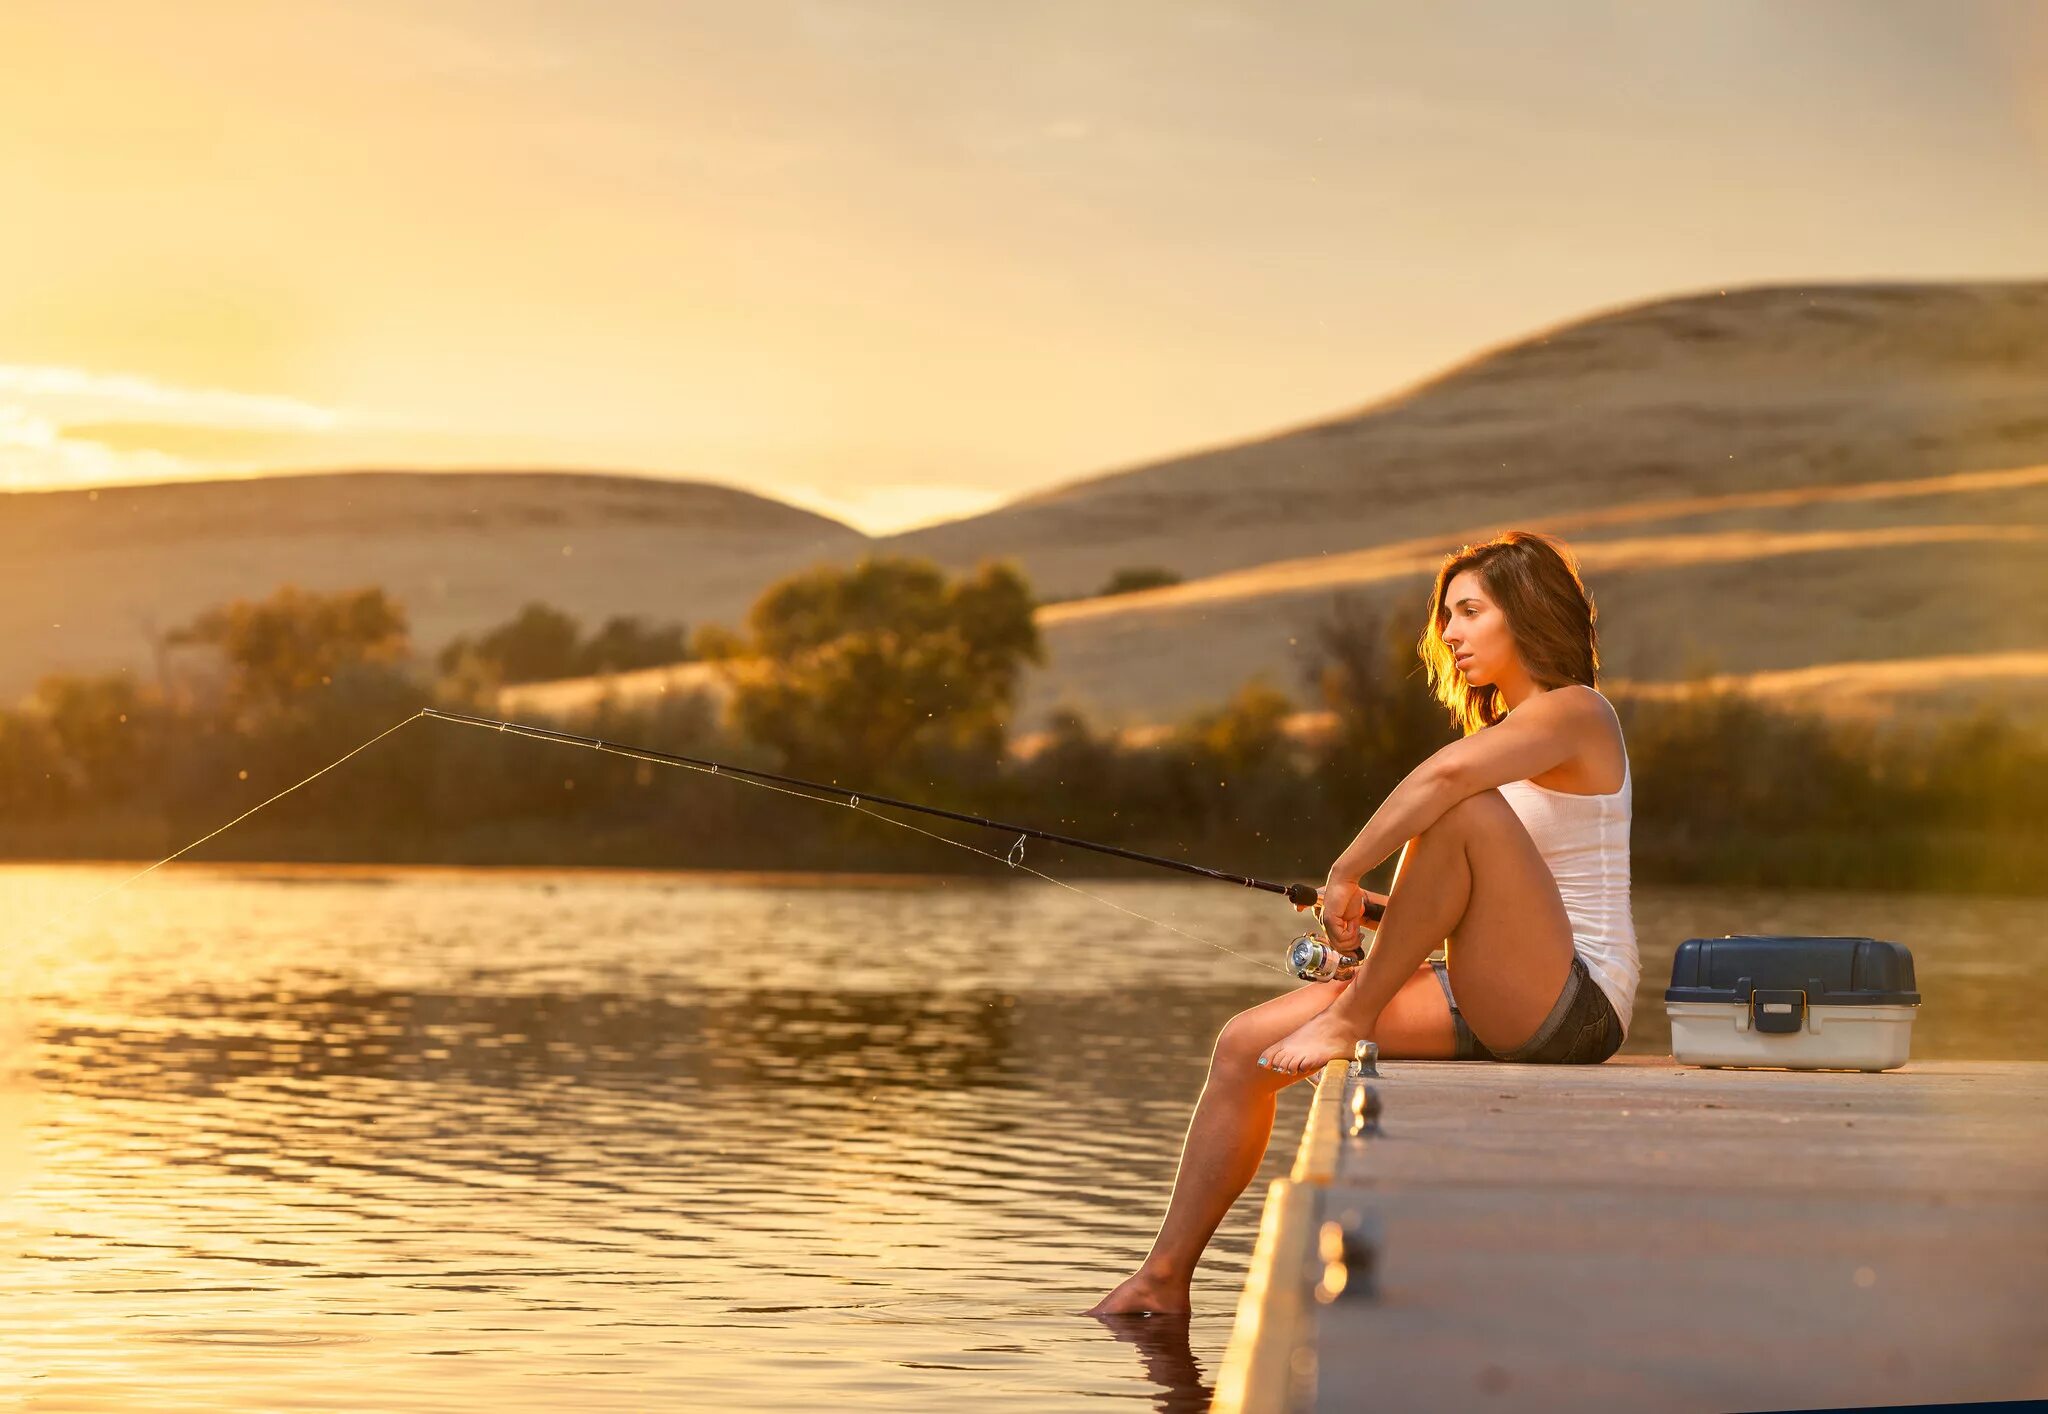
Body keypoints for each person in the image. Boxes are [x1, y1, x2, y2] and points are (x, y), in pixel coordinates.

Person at [1087, 529, 1638, 1319]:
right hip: (1500, 991)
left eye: (1469, 611)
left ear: (1527, 615)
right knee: (1243, 1047)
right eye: (1446, 615)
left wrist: (1347, 874)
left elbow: (1446, 785)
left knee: (1455, 801)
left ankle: (1350, 1015)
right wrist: (1392, 912)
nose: (1448, 634)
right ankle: (1165, 1278)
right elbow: (1500, 897)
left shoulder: (1579, 713)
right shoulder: (1513, 738)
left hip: (1578, 1008)